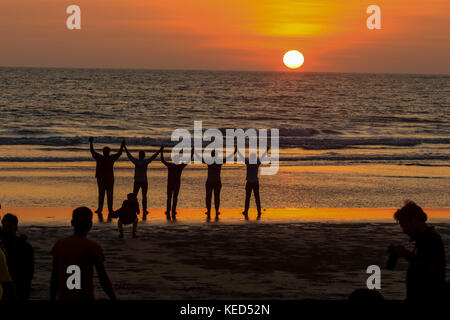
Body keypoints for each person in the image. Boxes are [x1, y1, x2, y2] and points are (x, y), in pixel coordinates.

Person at [50, 207, 116, 300]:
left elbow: (54, 276)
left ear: (72, 223)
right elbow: (102, 277)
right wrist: (113, 297)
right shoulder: (92, 247)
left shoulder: (60, 244)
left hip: (64, 296)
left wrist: (52, 297)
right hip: (85, 296)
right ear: (90, 224)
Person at [387, 200, 446, 301]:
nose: (404, 231)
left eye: (404, 225)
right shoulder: (423, 239)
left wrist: (405, 254)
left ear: (414, 221)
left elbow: (429, 268)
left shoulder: (431, 239)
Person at [195, 147, 237, 221]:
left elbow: (200, 159)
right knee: (216, 197)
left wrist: (194, 152)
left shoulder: (210, 161)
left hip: (210, 181)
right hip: (216, 181)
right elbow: (228, 157)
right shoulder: (219, 161)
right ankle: (216, 211)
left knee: (209, 197)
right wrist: (234, 152)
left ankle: (209, 211)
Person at [89, 137, 124, 220]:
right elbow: (119, 153)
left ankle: (101, 209)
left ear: (104, 152)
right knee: (109, 194)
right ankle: (109, 209)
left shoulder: (100, 157)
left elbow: (92, 151)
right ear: (108, 152)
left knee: (102, 194)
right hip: (108, 179)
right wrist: (122, 145)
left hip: (103, 179)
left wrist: (91, 143)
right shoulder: (110, 158)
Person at [1, 213, 34, 301]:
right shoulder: (2, 245)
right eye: (5, 227)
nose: (7, 230)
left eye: (9, 227)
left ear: (16, 228)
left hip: (18, 285)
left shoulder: (25, 246)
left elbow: (29, 274)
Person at [124, 143, 162, 220]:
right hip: (144, 181)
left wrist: (124, 147)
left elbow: (129, 156)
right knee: (144, 196)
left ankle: (133, 209)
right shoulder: (145, 161)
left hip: (137, 181)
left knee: (134, 196)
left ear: (139, 156)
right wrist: (159, 151)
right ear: (144, 156)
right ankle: (144, 210)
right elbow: (153, 157)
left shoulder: (136, 161)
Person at [161, 146, 194, 220]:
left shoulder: (170, 165)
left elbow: (162, 160)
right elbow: (188, 160)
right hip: (176, 184)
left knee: (169, 198)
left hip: (170, 183)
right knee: (174, 197)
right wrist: (192, 152)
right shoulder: (180, 166)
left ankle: (168, 210)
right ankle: (173, 210)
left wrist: (161, 151)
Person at [237, 148, 269, 220]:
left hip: (249, 182)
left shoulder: (248, 162)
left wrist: (237, 151)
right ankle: (259, 211)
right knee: (257, 197)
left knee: (247, 198)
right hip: (255, 182)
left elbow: (241, 157)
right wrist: (266, 150)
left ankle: (246, 211)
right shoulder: (257, 163)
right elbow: (263, 156)